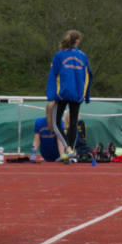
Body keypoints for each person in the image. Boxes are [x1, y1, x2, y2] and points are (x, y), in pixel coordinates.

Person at [44, 29, 92, 157]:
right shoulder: (83, 56)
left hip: (62, 94)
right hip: (77, 94)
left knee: (55, 123)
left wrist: (51, 94)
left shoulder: (59, 55)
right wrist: (85, 95)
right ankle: (72, 151)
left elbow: (52, 75)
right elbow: (88, 76)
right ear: (77, 41)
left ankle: (69, 148)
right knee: (73, 123)